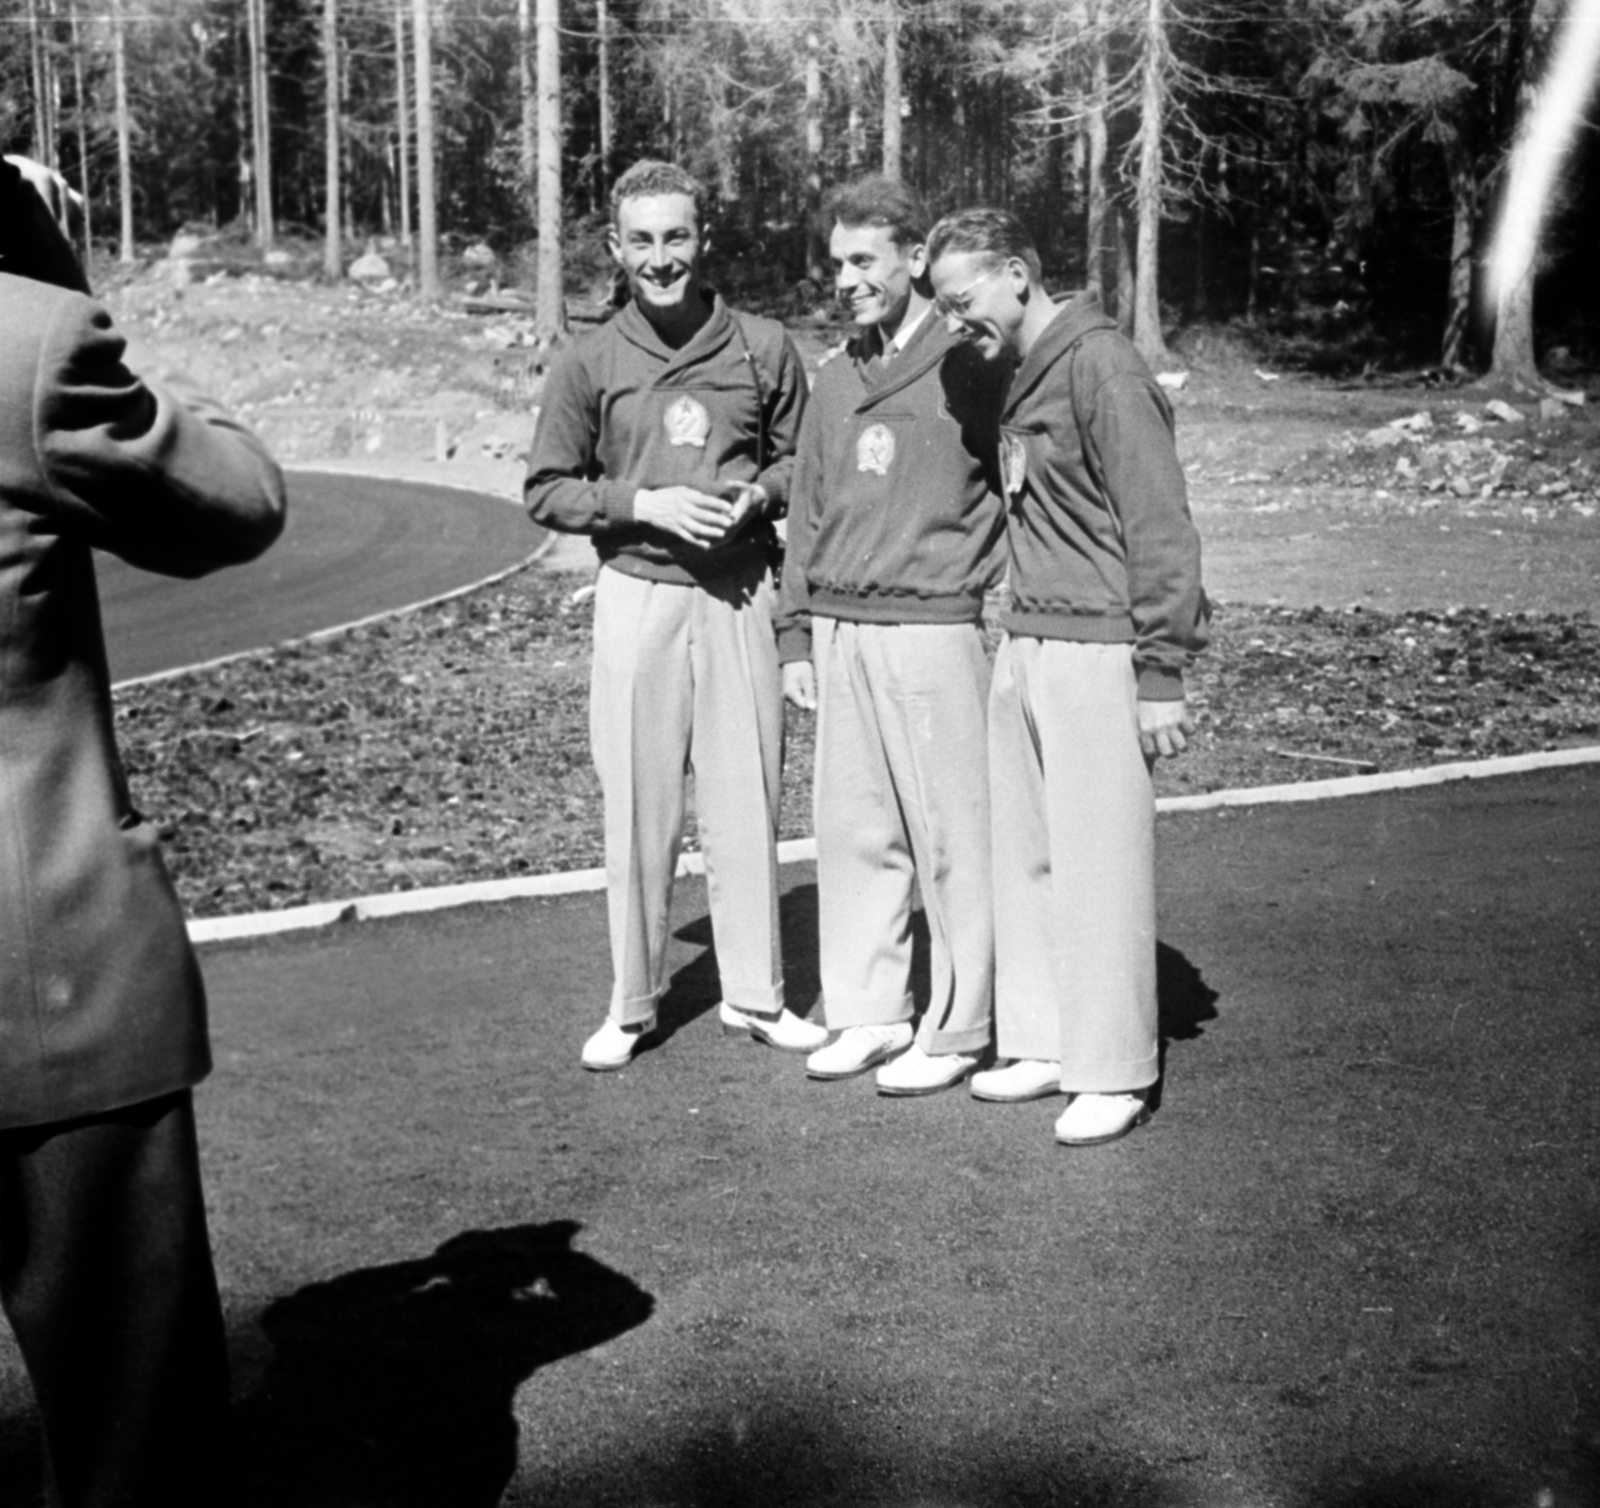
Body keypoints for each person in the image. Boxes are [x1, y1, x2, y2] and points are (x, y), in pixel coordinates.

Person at [0, 157, 287, 1503]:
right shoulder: (29, 344)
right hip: (46, 991)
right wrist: (54, 278)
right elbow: (234, 501)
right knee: (133, 1452)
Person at [526, 160, 826, 1070]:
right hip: (640, 596)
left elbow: (798, 469)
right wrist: (641, 504)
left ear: (705, 240)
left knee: (747, 797)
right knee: (639, 803)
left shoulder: (762, 346)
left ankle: (757, 995)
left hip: (738, 593)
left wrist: (757, 498)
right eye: (643, 242)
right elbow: (546, 490)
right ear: (617, 251)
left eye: (678, 237)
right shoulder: (589, 359)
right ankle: (633, 1002)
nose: (663, 259)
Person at [925, 207, 1207, 1146]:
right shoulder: (1013, 371)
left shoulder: (1102, 365)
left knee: (1102, 865)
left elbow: (1161, 524)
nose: (956, 322)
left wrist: (1161, 670)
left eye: (963, 302)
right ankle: (1044, 1041)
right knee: (1030, 859)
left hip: (1100, 649)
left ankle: (1116, 1064)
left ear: (1017, 272)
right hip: (1028, 638)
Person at [776, 177, 1008, 1095]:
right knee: (854, 832)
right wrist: (796, 636)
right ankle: (870, 1012)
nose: (846, 280)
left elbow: (1019, 487)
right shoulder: (834, 377)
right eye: (837, 264)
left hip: (932, 629)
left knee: (951, 834)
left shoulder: (972, 362)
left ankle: (960, 1025)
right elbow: (808, 511)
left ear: (915, 259)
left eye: (863, 261)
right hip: (841, 629)